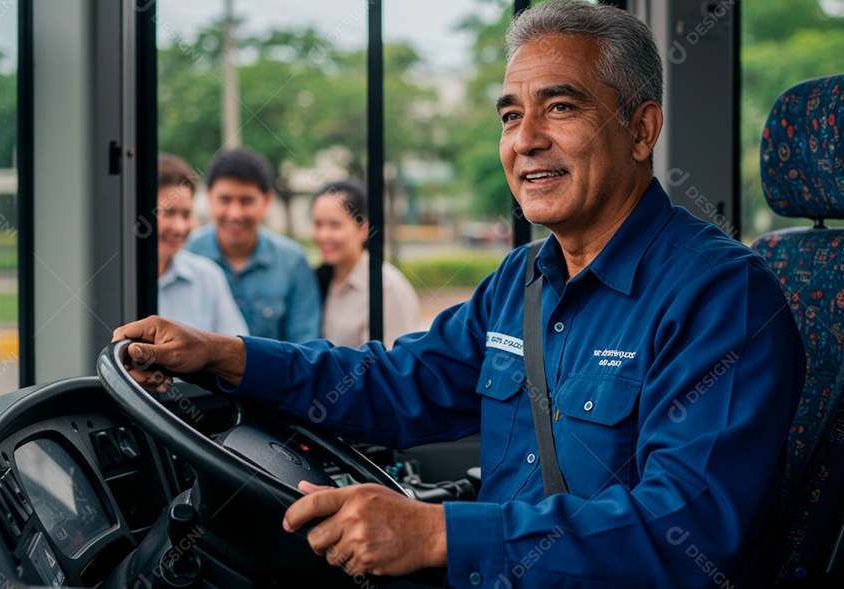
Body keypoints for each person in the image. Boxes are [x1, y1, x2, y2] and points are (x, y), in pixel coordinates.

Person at [115, 2, 804, 587]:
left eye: (560, 107)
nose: (526, 141)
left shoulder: (723, 296)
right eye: (510, 116)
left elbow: (690, 527)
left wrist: (441, 533)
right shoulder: (522, 280)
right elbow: (391, 381)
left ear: (642, 129)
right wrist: (227, 355)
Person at [185, 148, 321, 342]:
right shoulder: (186, 254)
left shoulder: (292, 262)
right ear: (209, 198)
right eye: (225, 200)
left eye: (246, 201)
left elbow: (304, 347)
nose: (235, 214)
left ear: (267, 201)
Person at [310, 180, 420, 348]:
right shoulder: (322, 279)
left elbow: (395, 364)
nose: (323, 235)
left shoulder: (386, 288)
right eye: (318, 224)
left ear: (363, 229)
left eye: (335, 225)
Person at [155, 154, 248, 336]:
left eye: (186, 214)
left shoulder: (207, 278)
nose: (180, 227)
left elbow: (236, 353)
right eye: (168, 213)